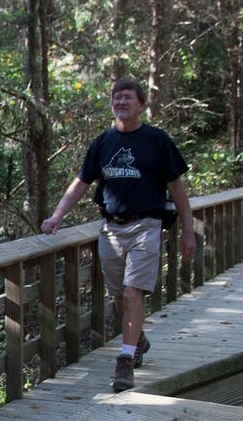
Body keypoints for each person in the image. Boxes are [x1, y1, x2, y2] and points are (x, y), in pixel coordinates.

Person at [41, 77, 195, 392]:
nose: (122, 102)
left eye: (128, 98)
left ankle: (125, 361)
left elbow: (177, 187)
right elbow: (81, 183)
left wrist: (189, 230)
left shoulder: (156, 140)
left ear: (141, 104)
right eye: (117, 98)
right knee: (117, 295)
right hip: (111, 228)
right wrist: (57, 215)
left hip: (146, 225)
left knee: (131, 292)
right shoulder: (102, 143)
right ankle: (138, 339)